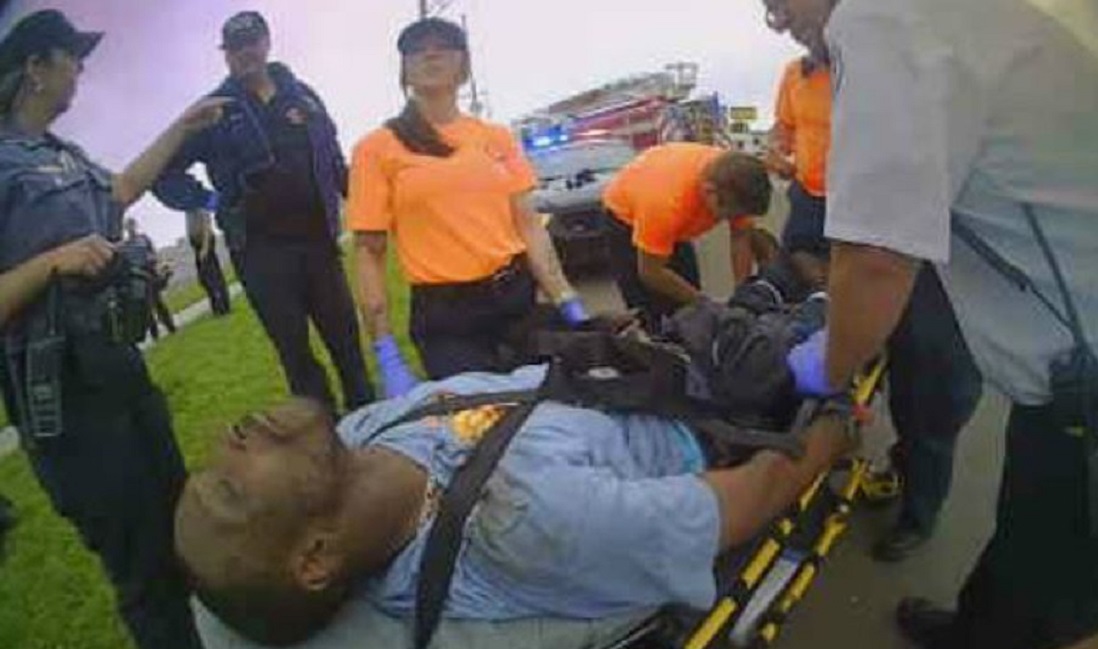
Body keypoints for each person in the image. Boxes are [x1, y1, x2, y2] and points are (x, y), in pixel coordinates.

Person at [768, 0, 1098, 649]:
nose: (775, 20)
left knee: (1054, 606)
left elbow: (876, 258)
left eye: (775, 1)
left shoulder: (881, 19)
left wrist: (828, 369)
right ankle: (971, 637)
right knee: (1028, 544)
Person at [174, 364, 855, 649]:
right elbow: (748, 501)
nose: (229, 439)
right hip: (715, 413)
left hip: (629, 366)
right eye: (229, 491)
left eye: (206, 466)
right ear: (315, 559)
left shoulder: (367, 432)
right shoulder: (527, 528)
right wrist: (833, 430)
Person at [0, 9, 228, 649]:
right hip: (66, 401)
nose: (81, 68)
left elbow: (121, 190)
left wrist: (181, 127)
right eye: (71, 56)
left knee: (181, 521)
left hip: (119, 370)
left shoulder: (63, 155)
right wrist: (53, 262)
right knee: (140, 560)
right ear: (36, 67)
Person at [767, 52, 981, 560]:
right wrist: (779, 152)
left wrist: (839, 359)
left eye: (787, 11)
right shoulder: (797, 74)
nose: (779, 21)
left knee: (928, 375)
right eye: (772, 14)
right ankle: (814, 458)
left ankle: (918, 508)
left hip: (902, 218)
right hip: (816, 207)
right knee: (794, 326)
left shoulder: (899, 63)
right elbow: (783, 132)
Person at [348, 17, 587, 390]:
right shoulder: (376, 149)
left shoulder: (496, 137)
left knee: (550, 404)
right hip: (447, 316)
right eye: (416, 49)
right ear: (404, 69)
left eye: (443, 45)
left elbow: (530, 228)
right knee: (483, 415)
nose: (430, 53)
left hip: (515, 299)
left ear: (464, 65)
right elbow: (369, 252)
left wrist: (566, 299)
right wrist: (386, 352)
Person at [152, 11, 373, 413]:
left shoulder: (303, 96)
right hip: (260, 254)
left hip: (319, 243)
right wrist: (210, 201)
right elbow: (163, 172)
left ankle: (369, 421)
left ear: (267, 42)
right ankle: (320, 435)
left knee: (346, 341)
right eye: (235, 47)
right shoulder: (213, 111)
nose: (245, 53)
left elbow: (333, 160)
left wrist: (368, 204)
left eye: (251, 42)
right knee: (295, 354)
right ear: (225, 54)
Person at [600, 142, 773, 326]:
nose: (734, 219)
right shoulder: (665, 205)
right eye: (731, 214)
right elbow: (651, 272)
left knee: (693, 310)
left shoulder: (736, 178)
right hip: (627, 220)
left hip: (674, 215)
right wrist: (708, 305)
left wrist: (741, 294)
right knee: (649, 315)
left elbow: (740, 236)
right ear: (710, 192)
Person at [123, 217, 177, 339]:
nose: (131, 228)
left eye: (132, 225)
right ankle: (154, 333)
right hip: (138, 274)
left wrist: (154, 261)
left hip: (149, 270)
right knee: (147, 305)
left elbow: (153, 253)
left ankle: (170, 326)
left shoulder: (143, 239)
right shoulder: (126, 245)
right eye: (128, 226)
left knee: (158, 301)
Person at [185, 210, 231, 317]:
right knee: (204, 279)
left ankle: (222, 307)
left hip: (205, 243)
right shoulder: (188, 209)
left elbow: (207, 226)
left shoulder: (199, 206)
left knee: (213, 277)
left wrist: (205, 247)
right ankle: (216, 306)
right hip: (197, 244)